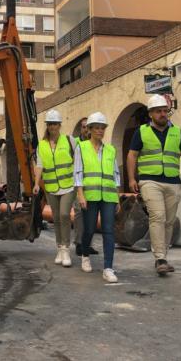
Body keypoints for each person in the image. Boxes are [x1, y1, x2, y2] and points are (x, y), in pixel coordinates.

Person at [126, 94, 181, 275]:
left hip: (173, 181)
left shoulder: (177, 132)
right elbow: (132, 155)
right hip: (150, 180)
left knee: (168, 221)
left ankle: (163, 257)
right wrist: (131, 179)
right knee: (157, 216)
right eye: (158, 111)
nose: (162, 114)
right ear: (151, 113)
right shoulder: (141, 132)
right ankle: (160, 257)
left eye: (165, 111)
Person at [75, 112, 120, 282]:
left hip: (108, 195)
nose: (100, 131)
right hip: (90, 195)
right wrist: (80, 194)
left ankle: (108, 268)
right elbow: (78, 172)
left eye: (103, 128)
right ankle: (85, 255)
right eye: (97, 128)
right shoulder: (82, 147)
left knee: (109, 230)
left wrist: (117, 197)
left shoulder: (110, 149)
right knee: (89, 229)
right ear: (90, 129)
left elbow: (115, 174)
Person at [33, 110, 76, 267]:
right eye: (50, 124)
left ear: (59, 125)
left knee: (65, 215)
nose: (52, 126)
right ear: (47, 126)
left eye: (55, 124)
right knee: (56, 218)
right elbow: (39, 165)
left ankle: (66, 249)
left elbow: (77, 161)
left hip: (68, 185)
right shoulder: (42, 145)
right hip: (51, 187)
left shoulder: (69, 140)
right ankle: (59, 248)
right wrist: (37, 183)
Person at [73, 116, 97, 257]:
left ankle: (88, 244)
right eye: (83, 127)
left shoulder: (96, 143)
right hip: (79, 183)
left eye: (88, 126)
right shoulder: (75, 143)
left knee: (92, 214)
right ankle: (79, 244)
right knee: (79, 213)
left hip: (93, 183)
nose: (86, 129)